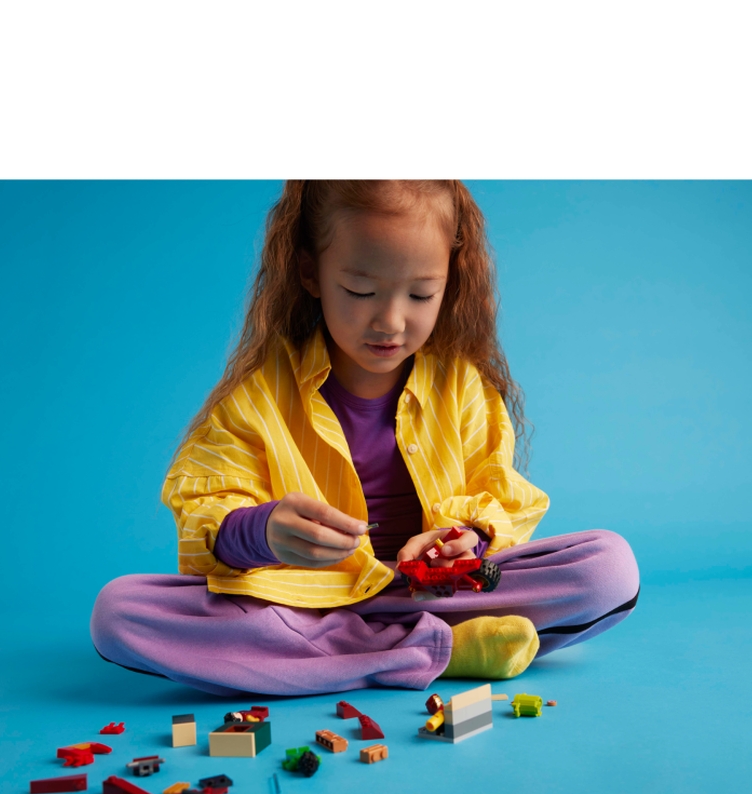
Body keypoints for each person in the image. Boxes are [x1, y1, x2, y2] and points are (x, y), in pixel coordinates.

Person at [91, 181, 639, 696]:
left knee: (607, 567)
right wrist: (261, 531)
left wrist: (468, 539)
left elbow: (498, 495)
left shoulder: (462, 387)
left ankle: (349, 652)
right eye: (361, 290)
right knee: (120, 613)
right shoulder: (258, 397)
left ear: (450, 281)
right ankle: (440, 649)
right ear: (310, 272)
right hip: (306, 601)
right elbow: (203, 513)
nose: (391, 322)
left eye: (421, 294)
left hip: (435, 595)